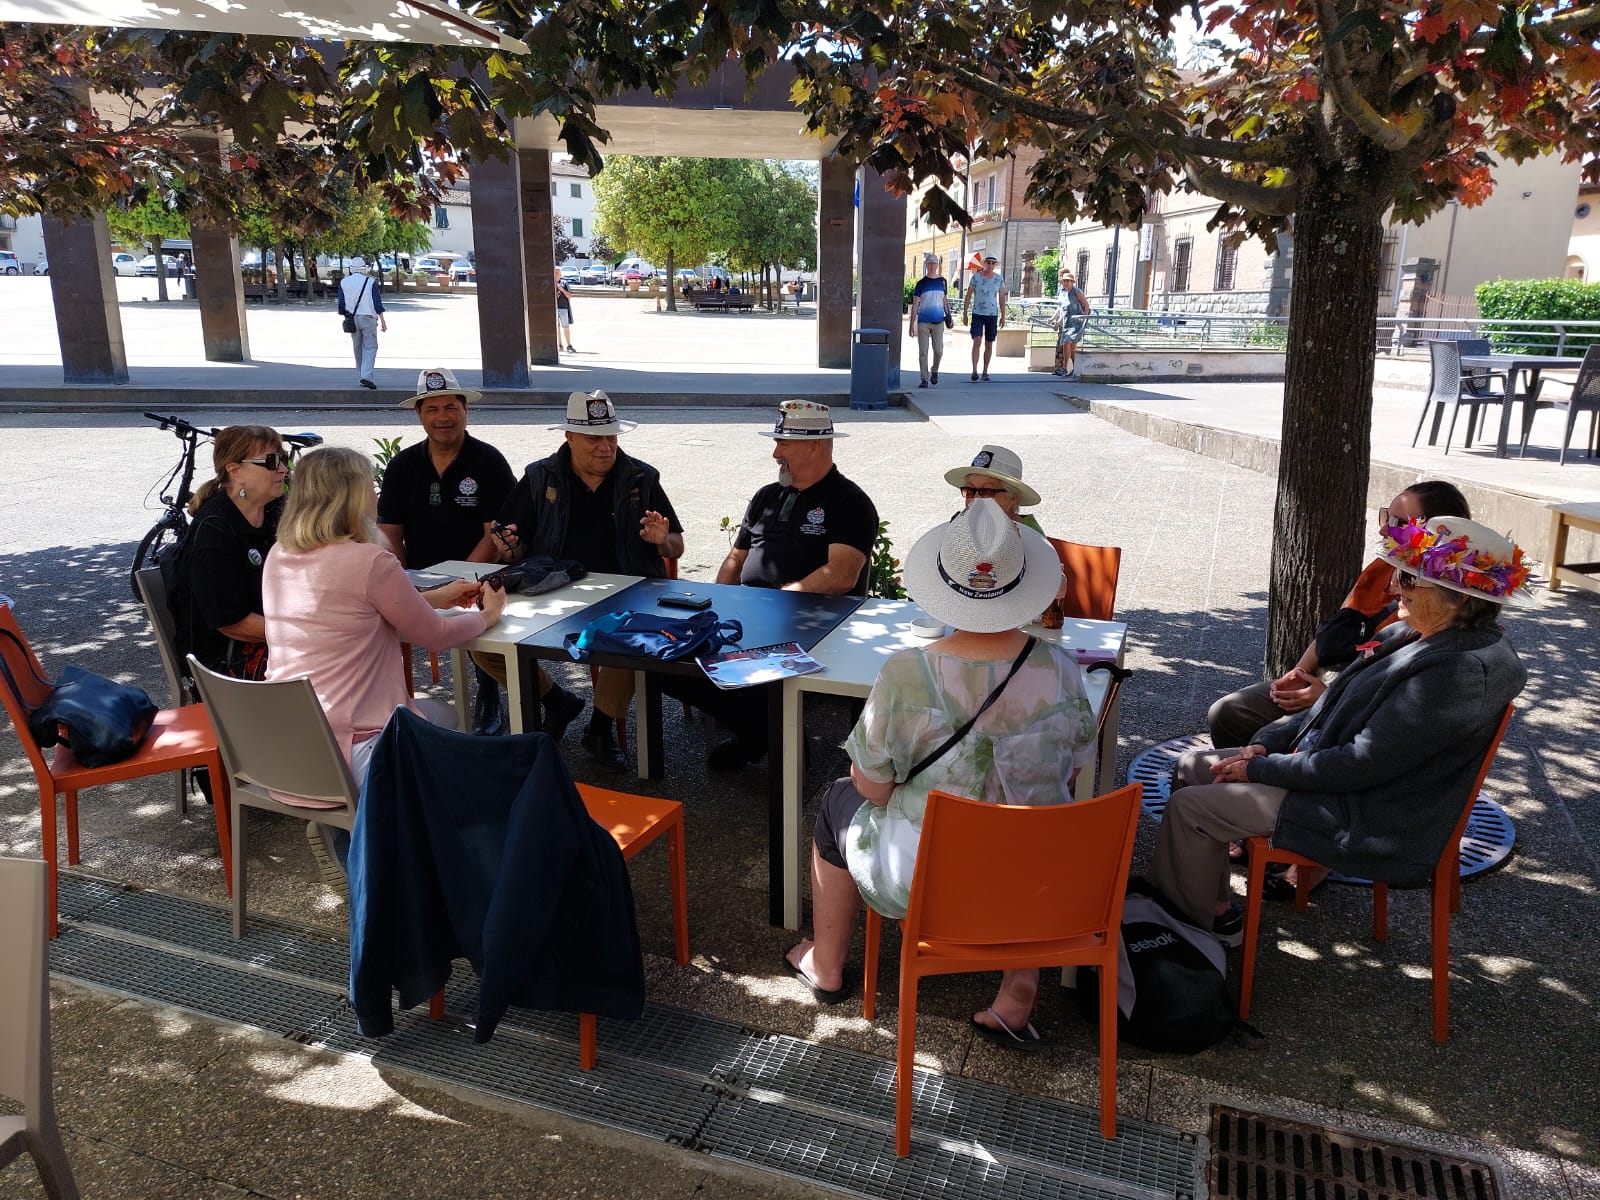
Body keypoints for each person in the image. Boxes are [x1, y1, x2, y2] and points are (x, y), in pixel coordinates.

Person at [784, 500, 1096, 1046]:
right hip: (1036, 881)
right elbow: (1073, 769)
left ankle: (826, 964)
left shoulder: (907, 673)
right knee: (1032, 816)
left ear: (943, 587)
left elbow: (873, 788)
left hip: (931, 879)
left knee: (838, 801)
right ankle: (1018, 990)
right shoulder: (1063, 671)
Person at [1150, 515, 1530, 943]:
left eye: (1408, 578)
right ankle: (1212, 913)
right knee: (1191, 766)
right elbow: (1332, 704)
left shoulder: (1458, 672)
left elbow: (1363, 763)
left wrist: (1262, 769)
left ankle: (1185, 937)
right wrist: (1265, 746)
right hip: (1338, 781)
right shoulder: (1419, 633)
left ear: (1458, 599)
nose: (1392, 587)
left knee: (1192, 808)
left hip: (1366, 810)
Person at [262, 447, 505, 889]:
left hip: (288, 741)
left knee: (442, 718)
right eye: (367, 485)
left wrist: (432, 597)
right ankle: (381, 864)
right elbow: (434, 635)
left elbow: (349, 607)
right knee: (463, 759)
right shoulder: (369, 560)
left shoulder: (281, 554)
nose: (376, 493)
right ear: (349, 497)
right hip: (351, 745)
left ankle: (344, 834)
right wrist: (487, 616)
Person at [481, 390, 685, 768]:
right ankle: (555, 700)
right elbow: (515, 543)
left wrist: (662, 540)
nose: (605, 447)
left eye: (611, 436)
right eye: (595, 438)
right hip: (555, 589)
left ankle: (600, 727)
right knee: (480, 639)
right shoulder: (540, 476)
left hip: (629, 590)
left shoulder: (642, 477)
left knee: (630, 642)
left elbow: (676, 548)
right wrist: (509, 549)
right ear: (569, 438)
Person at [1207, 480, 1472, 749]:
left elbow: (1390, 689)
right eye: (1386, 516)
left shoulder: (1438, 603)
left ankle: (1251, 781)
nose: (1383, 529)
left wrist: (1328, 697)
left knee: (1264, 739)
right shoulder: (1382, 567)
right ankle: (1237, 778)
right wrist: (1299, 671)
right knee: (1227, 713)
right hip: (1333, 683)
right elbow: (1341, 625)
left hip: (1352, 707)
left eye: (1397, 522)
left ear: (1435, 534)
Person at [687, 400, 880, 770]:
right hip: (749, 615)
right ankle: (763, 734)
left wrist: (781, 599)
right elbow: (736, 559)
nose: (775, 453)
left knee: (754, 663)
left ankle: (775, 738)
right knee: (677, 665)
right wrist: (715, 604)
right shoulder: (766, 497)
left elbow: (840, 575)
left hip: (814, 621)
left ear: (815, 446)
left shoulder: (849, 502)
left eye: (784, 444)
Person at [377, 367, 517, 735]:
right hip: (418, 574)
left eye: (451, 407)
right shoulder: (402, 465)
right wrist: (400, 579)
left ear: (466, 410)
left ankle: (489, 697)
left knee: (482, 614)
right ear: (419, 414)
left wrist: (464, 579)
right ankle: (389, 703)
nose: (443, 417)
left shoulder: (488, 460)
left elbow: (495, 532)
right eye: (433, 409)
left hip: (479, 572)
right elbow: (389, 533)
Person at [170, 425, 289, 683]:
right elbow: (231, 623)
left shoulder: (274, 510)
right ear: (236, 471)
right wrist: (302, 632)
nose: (283, 469)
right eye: (271, 461)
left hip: (270, 637)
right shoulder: (214, 530)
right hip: (225, 662)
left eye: (283, 458)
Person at [943, 445, 1044, 534]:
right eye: (970, 490)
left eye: (987, 491)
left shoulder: (1029, 536)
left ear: (1012, 498)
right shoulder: (965, 526)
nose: (976, 499)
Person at [337, 263, 387, 390]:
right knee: (370, 347)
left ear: (351, 269)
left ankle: (361, 376)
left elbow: (341, 304)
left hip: (352, 318)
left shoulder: (344, 282)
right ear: (364, 268)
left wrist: (346, 316)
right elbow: (377, 303)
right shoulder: (371, 281)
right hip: (368, 318)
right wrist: (382, 320)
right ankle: (366, 376)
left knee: (357, 347)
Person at [907, 253, 952, 388]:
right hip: (923, 322)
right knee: (923, 351)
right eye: (929, 263)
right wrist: (912, 323)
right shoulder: (921, 284)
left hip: (938, 322)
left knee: (938, 350)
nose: (932, 266)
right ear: (926, 265)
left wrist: (949, 315)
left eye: (934, 263)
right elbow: (915, 304)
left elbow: (945, 301)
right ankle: (924, 378)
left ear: (937, 265)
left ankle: (935, 370)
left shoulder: (942, 282)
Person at [964, 254, 1007, 382]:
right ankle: (974, 370)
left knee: (989, 343)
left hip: (992, 314)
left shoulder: (998, 279)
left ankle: (985, 371)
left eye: (993, 263)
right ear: (984, 264)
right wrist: (965, 313)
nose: (990, 265)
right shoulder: (976, 278)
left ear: (995, 265)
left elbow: (1001, 297)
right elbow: (969, 295)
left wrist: (1003, 316)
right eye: (988, 262)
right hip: (978, 313)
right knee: (977, 340)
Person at [1054, 269, 1090, 377]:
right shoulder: (1064, 293)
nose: (1065, 283)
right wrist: (1056, 321)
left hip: (1077, 321)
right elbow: (1063, 309)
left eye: (1068, 281)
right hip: (1068, 321)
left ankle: (1065, 368)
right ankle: (1075, 368)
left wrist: (1084, 318)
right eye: (1064, 281)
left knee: (1066, 342)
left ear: (1072, 282)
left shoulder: (1077, 292)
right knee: (1071, 347)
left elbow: (1086, 305)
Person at [555, 270, 576, 352]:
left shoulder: (564, 283)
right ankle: (560, 345)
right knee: (557, 328)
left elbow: (570, 296)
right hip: (554, 308)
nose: (558, 275)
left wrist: (561, 289)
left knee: (566, 327)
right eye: (556, 273)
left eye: (559, 273)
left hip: (563, 308)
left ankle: (569, 345)